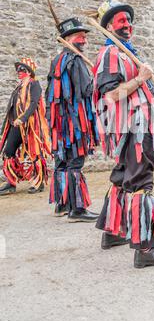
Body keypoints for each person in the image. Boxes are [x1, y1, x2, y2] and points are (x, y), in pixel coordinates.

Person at [92, 0, 154, 268]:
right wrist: (140, 78)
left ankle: (113, 232)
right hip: (135, 129)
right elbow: (109, 96)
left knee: (121, 177)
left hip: (137, 126)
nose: (127, 24)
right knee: (141, 182)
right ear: (109, 26)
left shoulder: (126, 52)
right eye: (121, 20)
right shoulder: (110, 54)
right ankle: (146, 249)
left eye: (129, 20)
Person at [46, 16, 99, 222]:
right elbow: (86, 90)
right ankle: (76, 209)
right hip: (74, 123)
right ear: (68, 38)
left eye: (84, 36)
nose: (84, 40)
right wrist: (95, 77)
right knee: (75, 162)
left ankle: (61, 205)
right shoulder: (75, 61)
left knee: (61, 162)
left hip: (60, 124)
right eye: (80, 36)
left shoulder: (56, 60)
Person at [0, 58, 50, 195]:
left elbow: (34, 104)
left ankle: (38, 182)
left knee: (34, 153)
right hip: (15, 126)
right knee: (8, 151)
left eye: (21, 70)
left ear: (29, 72)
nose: (18, 72)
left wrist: (22, 118)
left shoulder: (34, 85)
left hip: (31, 125)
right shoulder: (19, 88)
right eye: (18, 70)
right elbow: (11, 108)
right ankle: (11, 182)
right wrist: (6, 125)